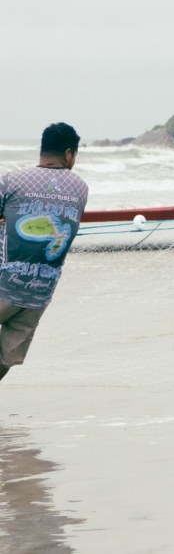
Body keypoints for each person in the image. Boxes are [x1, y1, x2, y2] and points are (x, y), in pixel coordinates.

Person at [0, 123, 90, 382]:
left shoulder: (11, 181)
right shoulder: (81, 189)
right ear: (69, 154)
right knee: (7, 355)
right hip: (39, 292)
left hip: (4, 283)